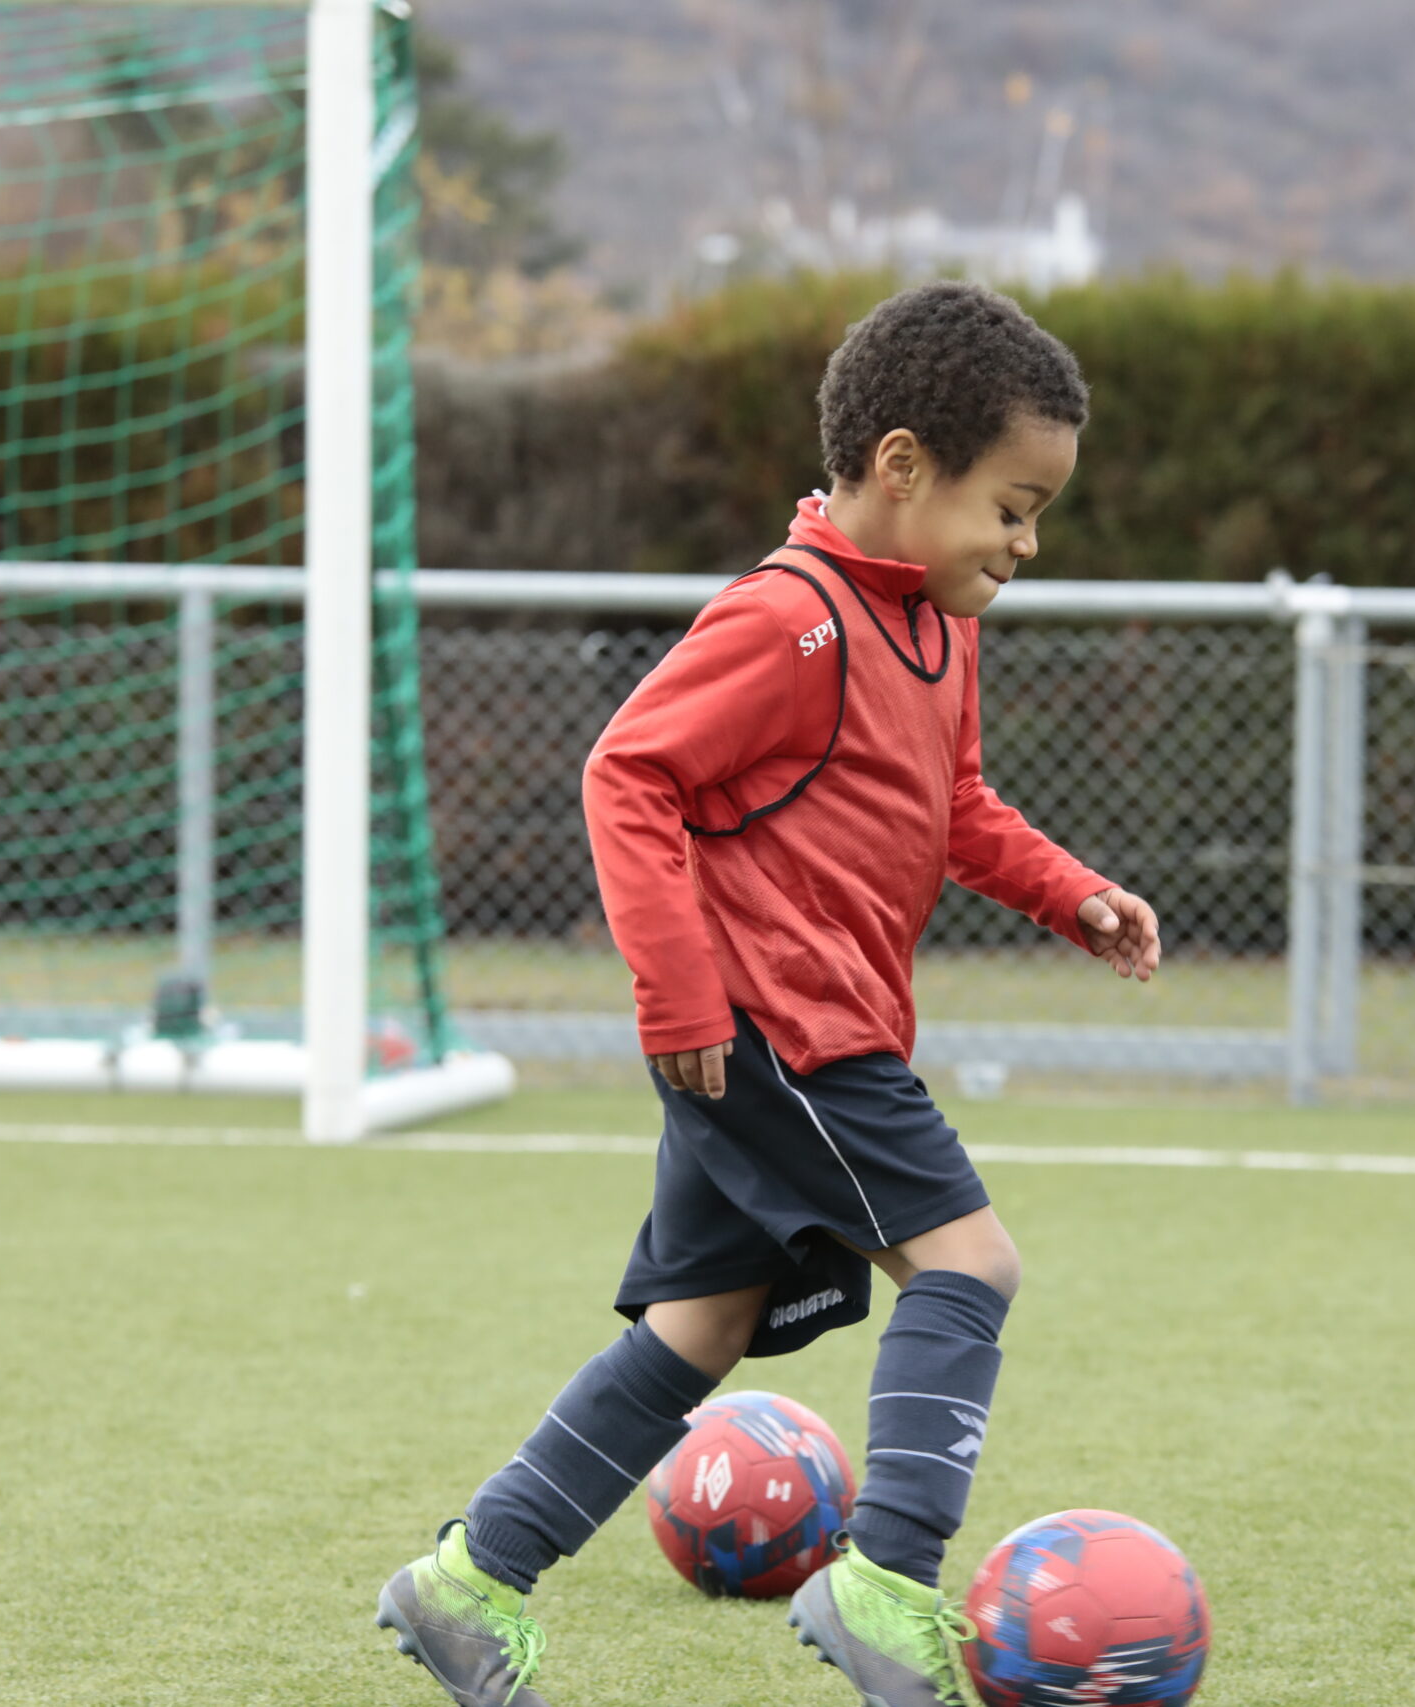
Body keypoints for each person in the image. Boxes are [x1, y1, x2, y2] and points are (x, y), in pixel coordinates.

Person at [376, 280, 1163, 1706]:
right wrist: (678, 999)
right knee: (972, 1266)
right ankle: (884, 1585)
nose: (1028, 542)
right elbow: (629, 775)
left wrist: (1072, 891)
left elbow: (957, 803)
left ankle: (467, 1582)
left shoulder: (938, 622)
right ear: (903, 466)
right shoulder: (792, 618)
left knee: (700, 1327)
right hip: (781, 1031)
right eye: (1012, 506)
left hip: (790, 1034)